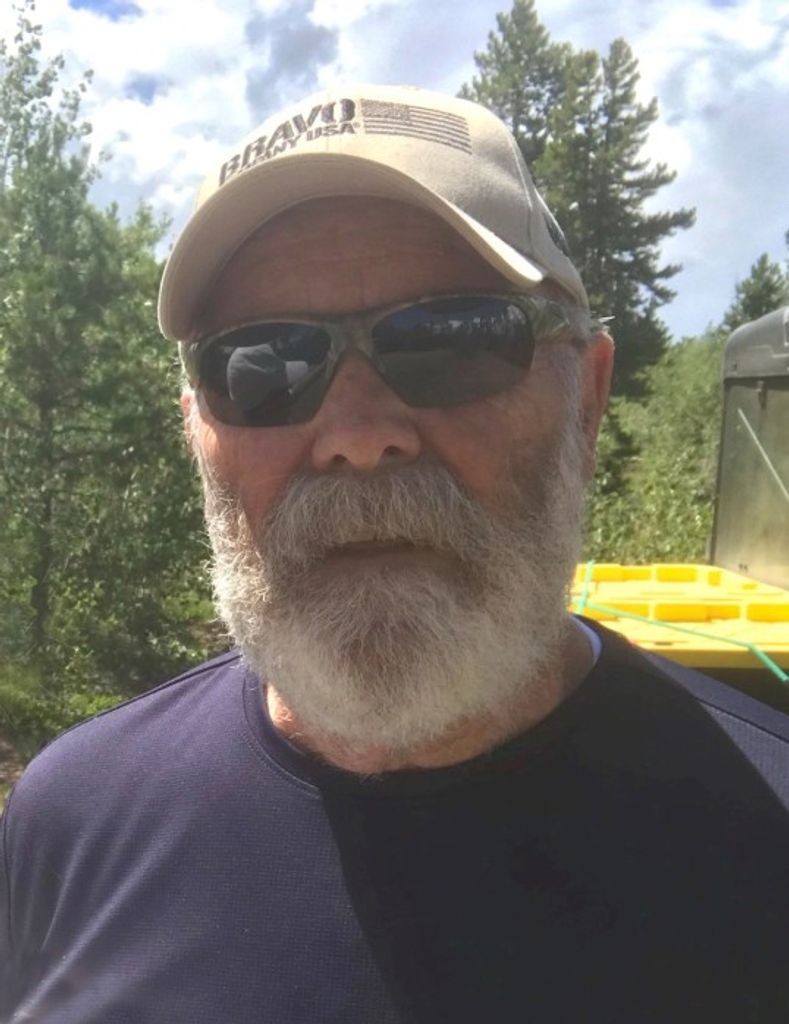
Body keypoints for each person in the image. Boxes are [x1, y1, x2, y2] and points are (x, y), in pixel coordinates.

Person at [1, 84, 788, 1024]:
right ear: (197, 433)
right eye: (263, 365)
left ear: (585, 397)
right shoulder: (72, 821)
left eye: (452, 340)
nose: (358, 435)